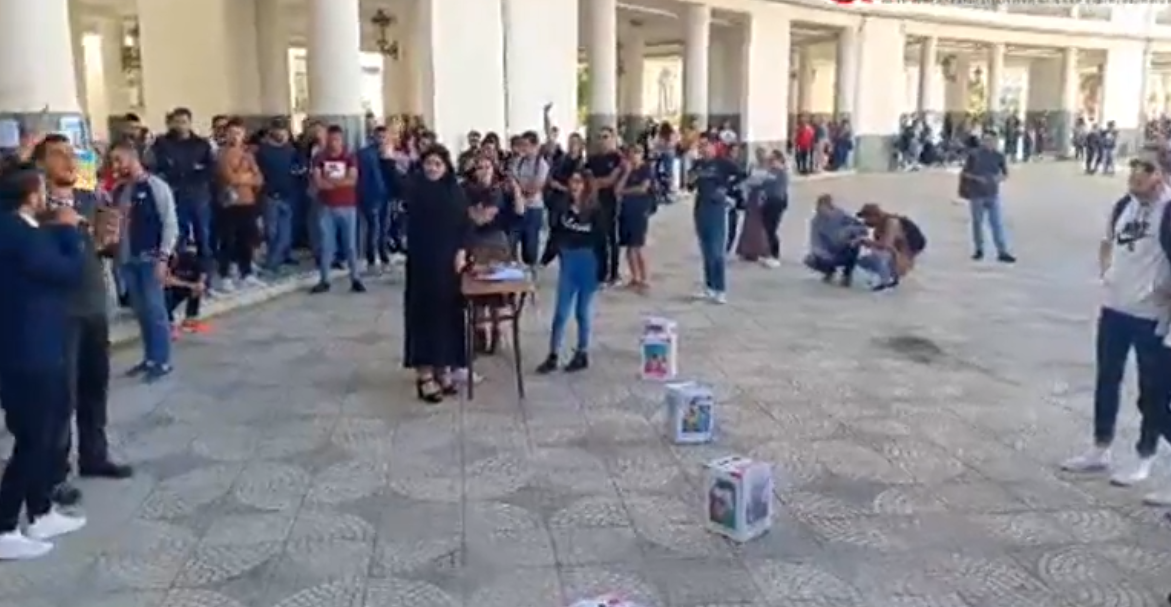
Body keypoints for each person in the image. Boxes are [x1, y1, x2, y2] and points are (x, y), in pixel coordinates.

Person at [34, 134, 134, 511]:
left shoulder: (89, 201)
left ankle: (95, 454)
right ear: (41, 164)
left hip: (93, 305)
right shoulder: (36, 212)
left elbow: (103, 250)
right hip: (60, 312)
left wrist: (109, 236)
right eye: (58, 155)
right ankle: (54, 473)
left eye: (71, 154)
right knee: (63, 395)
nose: (68, 162)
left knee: (96, 386)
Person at [1061, 157, 1171, 497]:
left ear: (1161, 176)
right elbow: (1108, 241)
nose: (1136, 176)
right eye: (1133, 169)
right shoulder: (1123, 205)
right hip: (1115, 308)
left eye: (1146, 170)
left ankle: (1144, 455)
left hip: (1150, 315)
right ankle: (1100, 445)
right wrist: (1106, 272)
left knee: (1152, 392)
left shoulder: (1168, 212)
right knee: (1107, 377)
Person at [0, 167, 89, 560]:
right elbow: (67, 271)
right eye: (40, 189)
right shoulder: (17, 233)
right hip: (28, 349)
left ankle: (40, 511)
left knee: (48, 427)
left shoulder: (20, 230)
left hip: (33, 344)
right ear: (30, 195)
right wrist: (69, 230)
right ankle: (4, 526)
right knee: (33, 438)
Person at [402, 146, 469, 403]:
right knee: (425, 317)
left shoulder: (455, 191)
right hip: (422, 264)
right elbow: (397, 186)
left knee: (448, 315)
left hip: (449, 264)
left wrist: (462, 250)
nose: (432, 168)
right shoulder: (416, 189)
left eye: (437, 164)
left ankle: (444, 367)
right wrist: (387, 159)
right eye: (428, 163)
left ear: (446, 167)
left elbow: (464, 223)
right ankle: (425, 374)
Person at [111, 141, 180, 380]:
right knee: (141, 312)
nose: (116, 166)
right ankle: (150, 357)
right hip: (128, 259)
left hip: (150, 257)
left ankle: (162, 361)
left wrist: (164, 258)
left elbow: (170, 224)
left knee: (155, 310)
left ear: (133, 158)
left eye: (119, 160)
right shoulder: (120, 190)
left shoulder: (156, 187)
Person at [537, 168, 602, 374]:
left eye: (579, 182)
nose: (574, 186)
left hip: (588, 263)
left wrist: (604, 270)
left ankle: (582, 352)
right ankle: (553, 354)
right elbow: (555, 236)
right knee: (561, 312)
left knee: (582, 311)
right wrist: (545, 259)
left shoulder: (596, 210)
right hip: (568, 261)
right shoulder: (562, 207)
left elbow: (603, 242)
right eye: (572, 182)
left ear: (586, 186)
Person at [149, 108, 215, 283]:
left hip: (198, 195)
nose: (180, 126)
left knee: (204, 236)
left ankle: (205, 278)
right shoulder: (162, 144)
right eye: (176, 122)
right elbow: (158, 167)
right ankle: (183, 276)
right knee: (179, 238)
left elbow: (210, 169)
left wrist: (196, 174)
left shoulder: (201, 144)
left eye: (184, 122)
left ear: (190, 122)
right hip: (174, 195)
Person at [310, 125, 366, 294]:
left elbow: (352, 180)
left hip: (348, 206)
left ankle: (355, 278)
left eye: (337, 139)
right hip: (326, 207)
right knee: (327, 244)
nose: (334, 143)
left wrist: (331, 182)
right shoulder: (320, 158)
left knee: (350, 244)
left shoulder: (349, 157)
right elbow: (318, 181)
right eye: (331, 139)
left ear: (342, 140)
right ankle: (324, 279)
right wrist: (338, 182)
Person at [686, 137, 741, 304]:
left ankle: (720, 288)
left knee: (717, 250)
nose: (703, 149)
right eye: (700, 146)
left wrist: (727, 191)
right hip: (701, 206)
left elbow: (740, 176)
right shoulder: (697, 165)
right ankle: (709, 286)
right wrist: (691, 179)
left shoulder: (723, 163)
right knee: (706, 250)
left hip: (716, 207)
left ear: (714, 146)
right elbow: (690, 186)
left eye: (706, 146)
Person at [215, 118, 265, 289]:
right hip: (229, 203)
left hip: (247, 201)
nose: (235, 137)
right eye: (232, 133)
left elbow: (259, 179)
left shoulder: (248, 154)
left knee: (246, 239)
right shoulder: (221, 154)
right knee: (228, 239)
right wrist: (247, 177)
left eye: (239, 133)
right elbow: (230, 178)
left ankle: (247, 273)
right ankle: (225, 275)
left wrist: (245, 179)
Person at [959, 132, 1015, 263]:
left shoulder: (999, 156)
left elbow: (1005, 174)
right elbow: (965, 173)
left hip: (992, 194)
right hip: (977, 194)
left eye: (991, 140)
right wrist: (978, 179)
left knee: (996, 223)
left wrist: (998, 179)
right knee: (977, 223)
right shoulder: (974, 155)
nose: (989, 143)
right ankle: (979, 249)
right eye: (986, 140)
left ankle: (1002, 251)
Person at [254, 117, 301, 275]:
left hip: (288, 195)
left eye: (283, 129)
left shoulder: (291, 149)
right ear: (271, 131)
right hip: (269, 196)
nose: (281, 132)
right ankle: (274, 260)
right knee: (271, 232)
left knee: (285, 234)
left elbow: (298, 167)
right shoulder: (262, 151)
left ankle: (273, 262)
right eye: (278, 129)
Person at [855, 202, 924, 291]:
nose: (864, 221)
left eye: (866, 218)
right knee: (862, 261)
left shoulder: (892, 223)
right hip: (896, 259)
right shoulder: (879, 228)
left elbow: (887, 245)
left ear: (875, 216)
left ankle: (885, 283)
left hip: (903, 259)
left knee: (879, 256)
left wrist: (865, 241)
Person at [586, 127, 624, 285]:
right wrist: (594, 185)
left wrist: (597, 183)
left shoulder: (617, 158)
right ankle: (599, 272)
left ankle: (614, 273)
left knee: (611, 237)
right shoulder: (592, 159)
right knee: (597, 238)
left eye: (606, 137)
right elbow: (587, 177)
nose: (603, 140)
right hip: (594, 202)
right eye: (600, 137)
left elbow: (611, 179)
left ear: (613, 138)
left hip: (610, 202)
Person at [507, 131, 550, 269]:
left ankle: (531, 273)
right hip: (517, 207)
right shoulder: (518, 161)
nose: (523, 149)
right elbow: (510, 179)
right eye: (522, 145)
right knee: (512, 240)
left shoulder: (542, 165)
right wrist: (517, 187)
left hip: (533, 208)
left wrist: (518, 187)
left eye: (526, 145)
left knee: (530, 245)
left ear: (535, 146)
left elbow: (534, 188)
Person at [804, 194, 867, 286]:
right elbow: (815, 242)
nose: (819, 210)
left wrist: (848, 231)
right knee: (810, 259)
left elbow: (863, 229)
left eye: (822, 207)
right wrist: (822, 254)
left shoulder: (842, 215)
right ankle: (829, 271)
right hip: (828, 251)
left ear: (830, 207)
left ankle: (847, 274)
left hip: (844, 248)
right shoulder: (816, 221)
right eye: (818, 207)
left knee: (855, 245)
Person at [616, 144, 655, 291]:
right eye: (631, 154)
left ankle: (644, 278)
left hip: (640, 210)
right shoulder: (626, 171)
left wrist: (625, 191)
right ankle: (635, 277)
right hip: (626, 211)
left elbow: (642, 188)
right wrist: (627, 172)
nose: (634, 157)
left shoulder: (646, 169)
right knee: (629, 248)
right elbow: (617, 190)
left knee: (637, 246)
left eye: (637, 153)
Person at [359, 126, 391, 271]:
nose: (382, 140)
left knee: (384, 226)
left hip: (387, 195)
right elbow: (363, 178)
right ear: (373, 137)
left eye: (384, 137)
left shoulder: (389, 154)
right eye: (379, 136)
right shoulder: (365, 154)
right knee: (374, 227)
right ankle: (372, 257)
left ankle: (384, 254)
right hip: (372, 196)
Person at [166, 239, 209, 336]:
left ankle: (190, 318)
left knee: (198, 289)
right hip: (172, 290)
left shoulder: (198, 262)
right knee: (167, 294)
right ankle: (170, 322)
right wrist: (189, 285)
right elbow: (168, 280)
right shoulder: (174, 261)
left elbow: (202, 280)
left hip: (185, 289)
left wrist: (198, 285)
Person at [759, 149, 790, 267]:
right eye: (769, 160)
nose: (770, 162)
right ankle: (769, 253)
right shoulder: (770, 171)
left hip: (776, 202)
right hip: (767, 201)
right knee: (767, 228)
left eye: (772, 160)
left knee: (771, 229)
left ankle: (775, 255)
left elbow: (774, 184)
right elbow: (763, 184)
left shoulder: (780, 172)